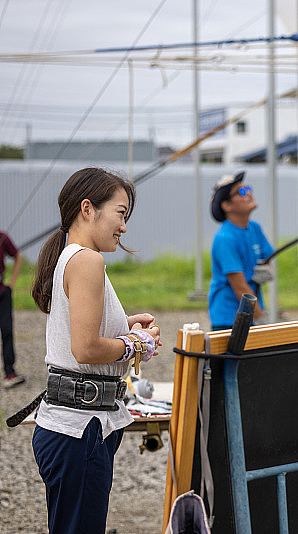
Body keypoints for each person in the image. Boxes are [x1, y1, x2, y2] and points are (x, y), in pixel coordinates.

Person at [29, 167, 162, 534]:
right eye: (120, 213)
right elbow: (86, 348)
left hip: (74, 426)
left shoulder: (72, 257)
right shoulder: (88, 260)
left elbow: (84, 333)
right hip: (80, 429)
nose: (123, 227)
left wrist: (128, 328)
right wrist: (137, 343)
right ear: (88, 209)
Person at [208, 171, 274, 330]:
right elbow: (240, 287)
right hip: (229, 318)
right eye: (241, 192)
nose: (249, 193)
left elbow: (268, 257)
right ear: (227, 205)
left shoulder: (254, 228)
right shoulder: (225, 238)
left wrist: (266, 269)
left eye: (248, 188)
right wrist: (261, 318)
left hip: (251, 311)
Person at [0, 230, 24, 388]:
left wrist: (12, 284)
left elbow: (17, 256)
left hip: (2, 292)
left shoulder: (2, 237)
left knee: (7, 331)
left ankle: (10, 372)